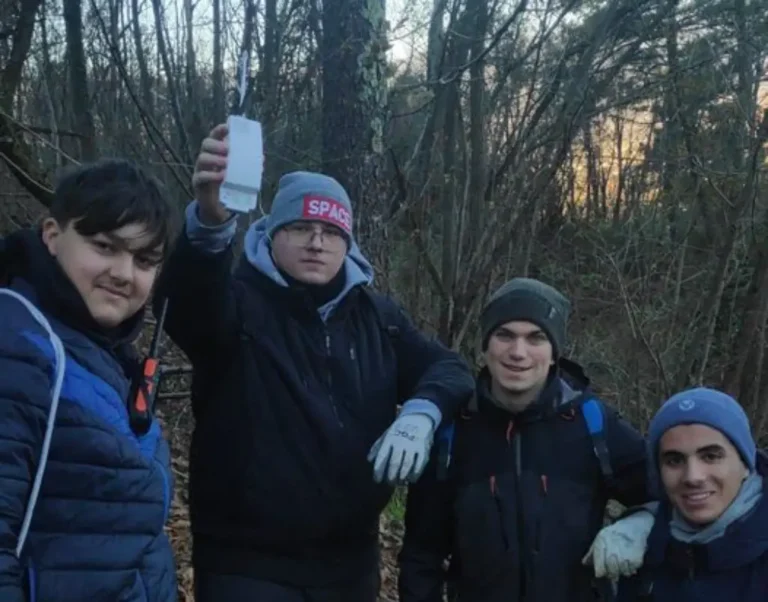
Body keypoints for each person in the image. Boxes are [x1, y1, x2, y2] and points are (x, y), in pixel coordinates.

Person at [154, 123, 474, 601]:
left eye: (330, 232)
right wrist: (210, 223)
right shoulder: (236, 303)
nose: (316, 243)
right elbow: (184, 306)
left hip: (350, 564)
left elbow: (450, 369)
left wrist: (421, 414)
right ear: (272, 233)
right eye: (300, 228)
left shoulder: (377, 318)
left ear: (348, 243)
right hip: (246, 564)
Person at [398, 277, 651, 602]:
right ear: (485, 345)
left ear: (554, 352)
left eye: (536, 338)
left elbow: (674, 493)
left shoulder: (593, 424)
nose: (518, 352)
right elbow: (421, 556)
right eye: (504, 335)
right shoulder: (453, 432)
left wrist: (643, 521)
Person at [0, 159, 178, 601]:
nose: (123, 273)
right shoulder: (18, 344)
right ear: (52, 235)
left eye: (144, 260)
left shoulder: (102, 350)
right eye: (104, 246)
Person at [615, 387, 768, 602]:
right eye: (674, 461)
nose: (692, 477)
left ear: (745, 464)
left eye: (711, 456)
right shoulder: (641, 553)